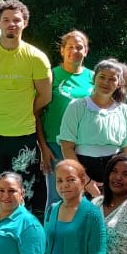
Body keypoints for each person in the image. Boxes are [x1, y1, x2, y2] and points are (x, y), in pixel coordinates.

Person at [0, 0, 52, 217]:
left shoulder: (36, 58)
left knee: (21, 194)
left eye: (17, 20)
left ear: (25, 23)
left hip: (24, 136)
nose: (12, 24)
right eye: (6, 20)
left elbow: (45, 96)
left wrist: (25, 109)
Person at [58, 58, 127, 197]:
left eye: (112, 79)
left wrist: (123, 177)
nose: (106, 82)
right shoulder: (77, 106)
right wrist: (86, 181)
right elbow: (67, 147)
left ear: (119, 83)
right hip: (81, 170)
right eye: (102, 77)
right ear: (94, 78)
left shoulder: (124, 110)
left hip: (115, 174)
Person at [38, 30, 93, 207]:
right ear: (62, 50)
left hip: (87, 146)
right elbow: (36, 113)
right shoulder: (50, 76)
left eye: (79, 47)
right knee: (57, 199)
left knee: (86, 199)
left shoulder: (94, 78)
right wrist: (42, 147)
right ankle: (50, 235)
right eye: (70, 47)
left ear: (86, 51)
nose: (75, 51)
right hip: (55, 146)